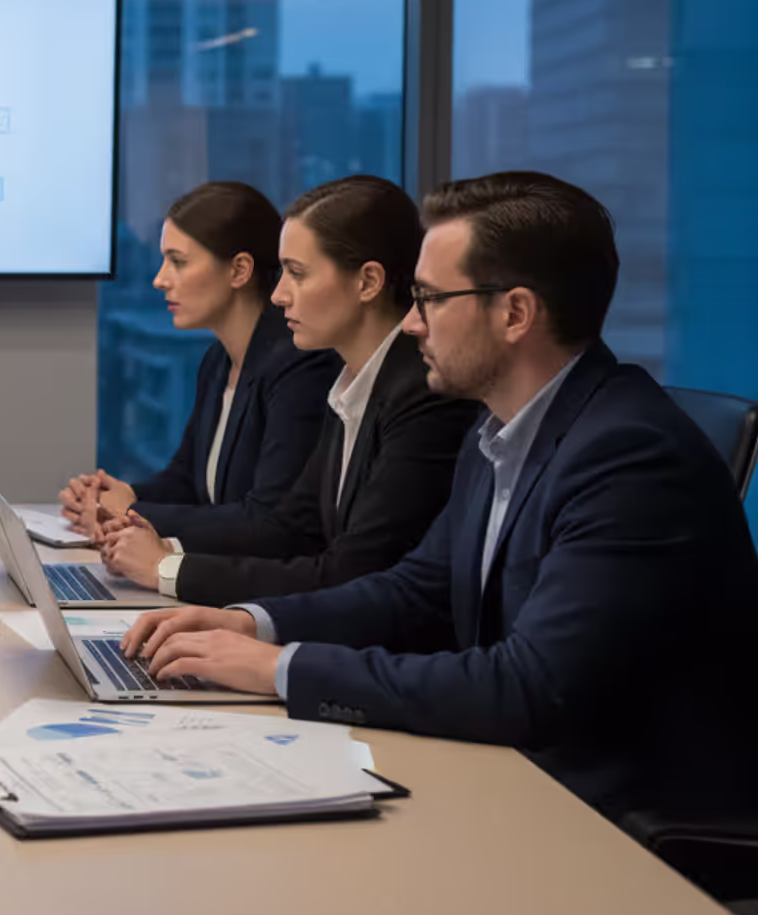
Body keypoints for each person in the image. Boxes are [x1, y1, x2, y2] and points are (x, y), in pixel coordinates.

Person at [121, 172, 758, 822]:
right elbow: (417, 589)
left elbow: (527, 687)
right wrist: (252, 622)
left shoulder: (628, 455)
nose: (412, 323)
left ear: (514, 313)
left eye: (428, 299)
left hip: (625, 827)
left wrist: (280, 668)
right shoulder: (502, 425)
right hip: (526, 776)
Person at [94, 176, 481, 607]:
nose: (278, 295)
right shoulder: (353, 381)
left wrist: (166, 566)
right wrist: (160, 549)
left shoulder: (418, 393)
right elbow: (298, 527)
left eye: (297, 274)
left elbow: (348, 570)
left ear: (368, 282)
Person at [57, 181, 341, 541]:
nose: (160, 279)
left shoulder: (298, 366)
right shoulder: (218, 360)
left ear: (239, 270)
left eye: (178, 262)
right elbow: (187, 480)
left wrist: (130, 514)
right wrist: (122, 497)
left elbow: (269, 519)